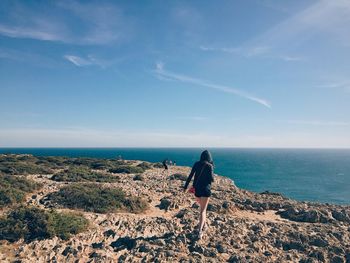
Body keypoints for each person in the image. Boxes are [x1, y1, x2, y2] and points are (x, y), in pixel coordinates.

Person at [183, 150, 214, 239]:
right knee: (203, 211)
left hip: (197, 191)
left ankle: (204, 225)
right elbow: (211, 180)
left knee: (202, 209)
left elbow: (190, 176)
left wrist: (185, 187)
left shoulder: (196, 164)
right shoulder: (209, 166)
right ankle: (200, 231)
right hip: (206, 191)